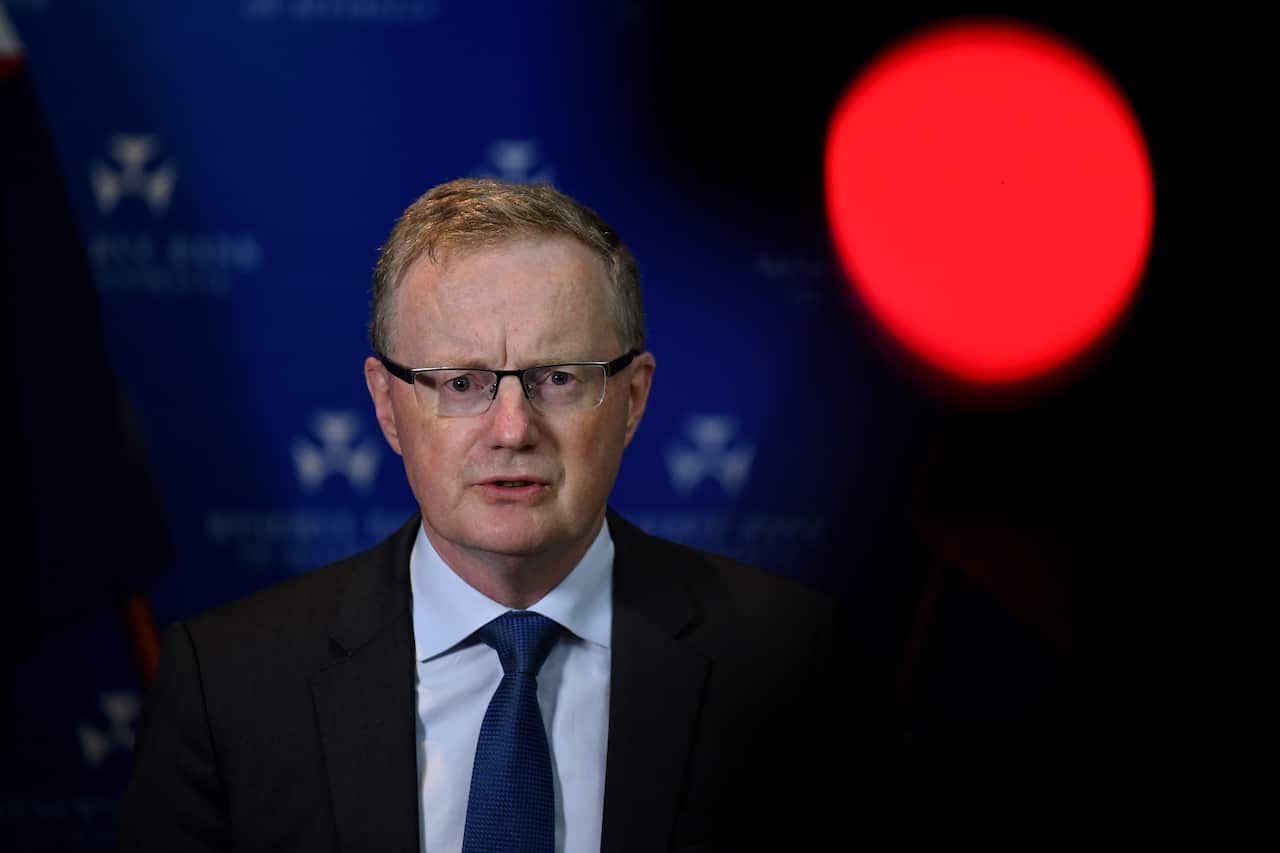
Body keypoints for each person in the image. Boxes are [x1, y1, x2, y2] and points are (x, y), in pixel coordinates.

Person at [117, 178, 886, 852]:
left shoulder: (791, 661)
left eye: (559, 378)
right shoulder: (227, 686)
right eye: (461, 383)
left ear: (633, 399)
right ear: (387, 404)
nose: (513, 429)